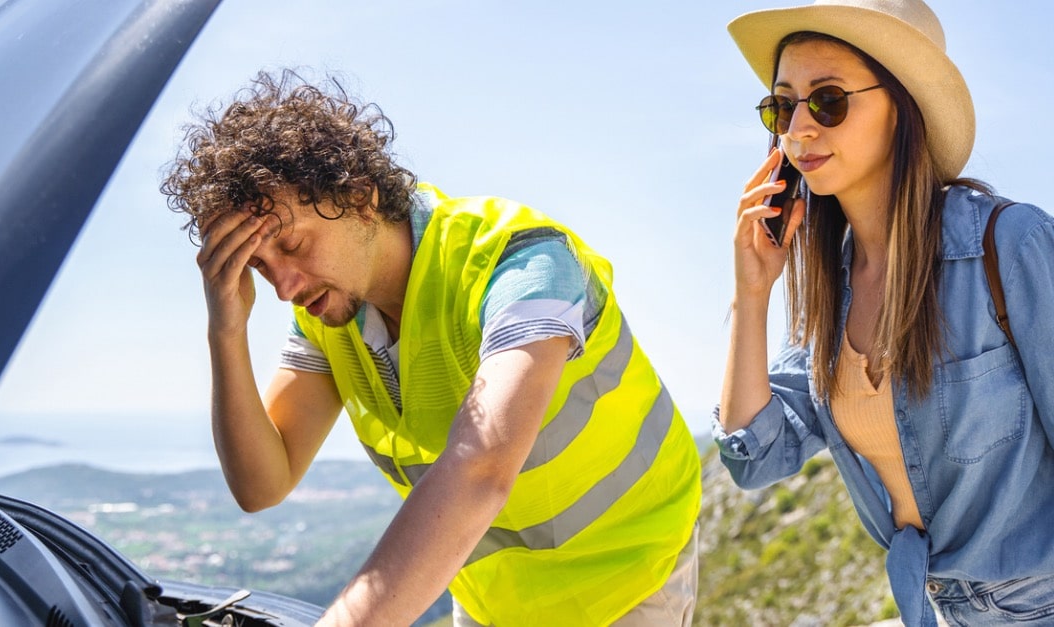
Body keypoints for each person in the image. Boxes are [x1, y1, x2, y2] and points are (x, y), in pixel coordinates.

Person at [161, 71, 701, 626]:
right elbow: (262, 484)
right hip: (493, 596)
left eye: (293, 245)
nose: (284, 289)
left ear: (360, 197)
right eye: (258, 266)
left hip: (626, 579)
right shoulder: (327, 312)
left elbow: (480, 469)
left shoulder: (522, 262)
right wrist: (225, 329)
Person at [714, 0, 1054, 625]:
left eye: (828, 100)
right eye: (782, 106)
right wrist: (752, 294)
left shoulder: (1010, 245)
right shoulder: (829, 296)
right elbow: (754, 457)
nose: (799, 130)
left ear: (902, 107)